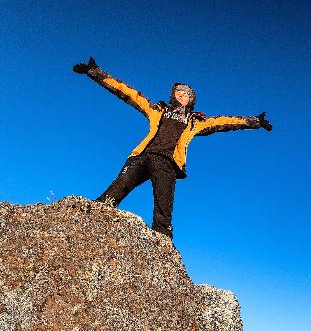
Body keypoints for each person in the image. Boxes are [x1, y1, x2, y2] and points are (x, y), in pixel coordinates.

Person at [72, 56, 272, 239]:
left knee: (164, 203)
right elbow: (128, 93)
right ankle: (93, 215)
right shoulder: (157, 110)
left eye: (186, 94)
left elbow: (225, 122)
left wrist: (255, 121)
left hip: (167, 164)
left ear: (191, 100)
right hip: (142, 156)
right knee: (119, 186)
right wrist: (95, 72)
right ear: (173, 95)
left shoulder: (195, 122)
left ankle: (162, 240)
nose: (181, 94)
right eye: (178, 92)